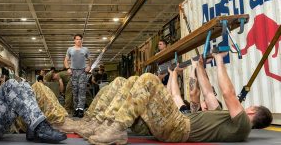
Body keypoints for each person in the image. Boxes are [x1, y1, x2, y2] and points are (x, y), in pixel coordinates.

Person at [88, 52, 273, 144]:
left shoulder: (242, 126)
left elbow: (228, 93)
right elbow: (207, 93)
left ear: (252, 111)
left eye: (251, 106)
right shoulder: (225, 121)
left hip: (178, 126)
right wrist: (199, 66)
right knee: (126, 81)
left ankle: (116, 129)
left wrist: (218, 59)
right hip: (170, 125)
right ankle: (98, 121)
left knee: (149, 80)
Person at [64, 34, 91, 118]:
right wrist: (68, 68)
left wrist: (89, 66)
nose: (78, 41)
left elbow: (90, 59)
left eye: (80, 39)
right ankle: (76, 109)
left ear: (82, 40)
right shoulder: (70, 49)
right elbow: (66, 60)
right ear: (74, 40)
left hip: (83, 72)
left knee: (82, 91)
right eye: (77, 39)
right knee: (75, 91)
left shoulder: (85, 49)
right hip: (73, 72)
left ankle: (81, 109)